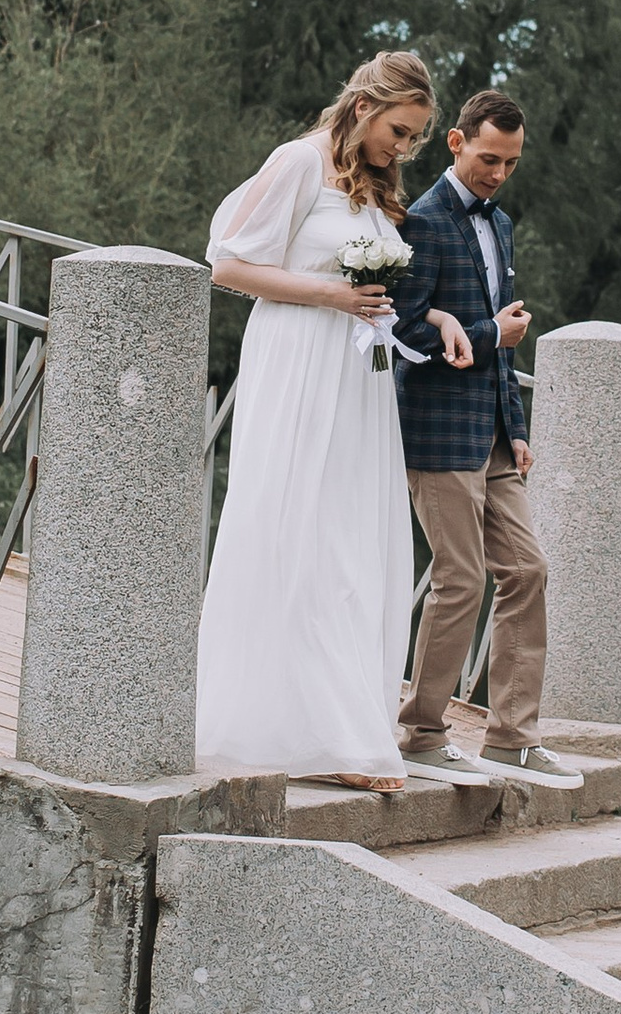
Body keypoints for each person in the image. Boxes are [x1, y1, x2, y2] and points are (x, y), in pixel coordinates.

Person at [196, 48, 471, 789]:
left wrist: (429, 311)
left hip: (359, 377)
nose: (405, 147)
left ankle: (347, 728)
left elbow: (383, 291)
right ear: (363, 108)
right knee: (297, 530)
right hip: (297, 363)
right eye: (401, 131)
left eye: (415, 137)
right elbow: (227, 265)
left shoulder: (377, 186)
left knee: (353, 540)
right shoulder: (296, 162)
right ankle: (317, 738)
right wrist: (331, 298)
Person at [388, 89, 572, 776]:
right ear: (456, 143)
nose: (498, 174)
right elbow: (404, 329)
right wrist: (496, 332)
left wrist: (515, 427)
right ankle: (425, 734)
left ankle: (512, 737)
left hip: (492, 434)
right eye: (489, 159)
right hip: (436, 431)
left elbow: (507, 340)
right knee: (461, 580)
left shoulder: (503, 225)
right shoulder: (422, 221)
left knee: (527, 570)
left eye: (511, 164)